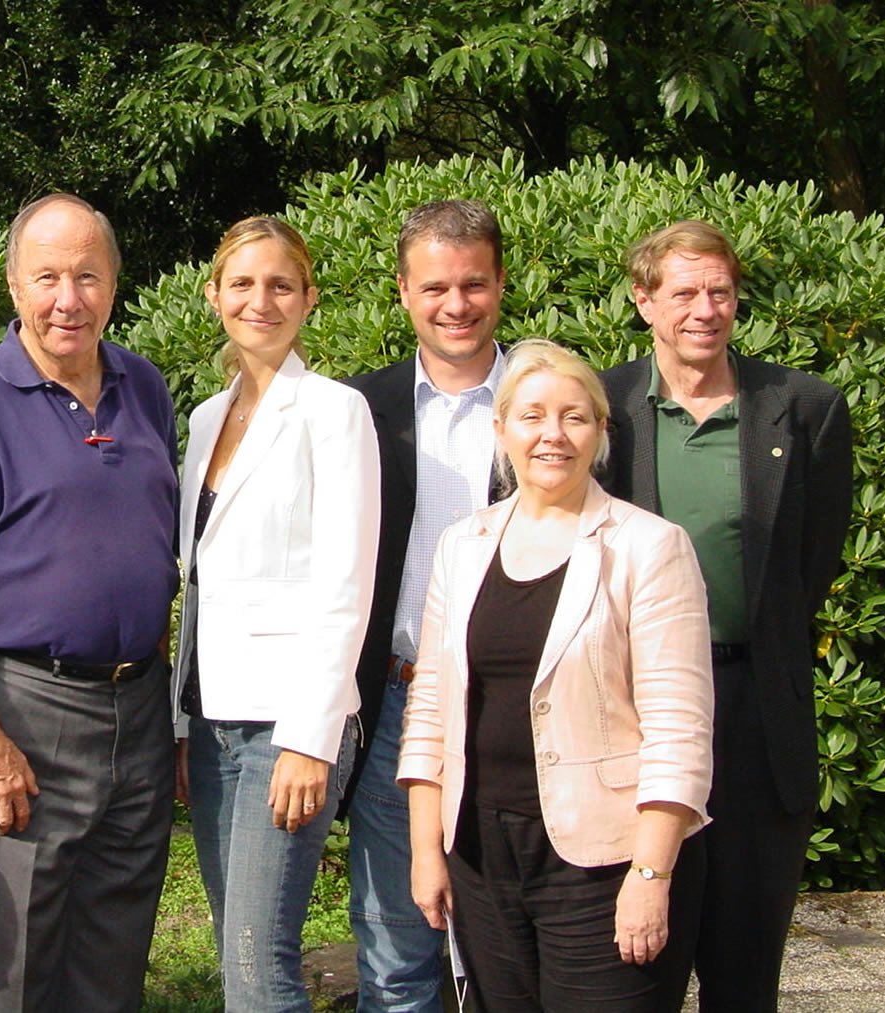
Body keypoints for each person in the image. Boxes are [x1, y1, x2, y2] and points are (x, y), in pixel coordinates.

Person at [0, 193, 179, 1013]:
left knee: (113, 956)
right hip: (26, 710)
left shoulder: (144, 386)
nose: (69, 299)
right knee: (10, 966)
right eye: (48, 277)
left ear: (115, 284)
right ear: (15, 285)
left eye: (88, 276)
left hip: (137, 706)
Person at [401, 338, 714, 1012]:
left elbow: (679, 730)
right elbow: (430, 706)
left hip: (604, 859)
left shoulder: (650, 547)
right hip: (481, 852)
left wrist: (651, 872)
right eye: (533, 416)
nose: (553, 434)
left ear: (601, 431)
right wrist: (427, 848)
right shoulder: (462, 545)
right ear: (501, 430)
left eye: (575, 417)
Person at [601, 221, 853, 1011]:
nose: (705, 310)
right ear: (644, 300)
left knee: (744, 973)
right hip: (633, 715)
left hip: (754, 715)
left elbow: (808, 568)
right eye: (684, 292)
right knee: (637, 966)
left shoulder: (804, 408)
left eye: (720, 291)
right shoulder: (603, 409)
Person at [172, 217, 380, 1010]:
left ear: (309, 298)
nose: (261, 300)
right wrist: (184, 722)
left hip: (285, 726)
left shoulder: (334, 411)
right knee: (237, 958)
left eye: (281, 284)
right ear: (214, 294)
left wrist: (309, 737)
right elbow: (199, 582)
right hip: (213, 721)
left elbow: (345, 581)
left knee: (262, 966)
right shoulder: (204, 420)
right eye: (243, 283)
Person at [341, 199, 510, 1011]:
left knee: (517, 949)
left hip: (519, 708)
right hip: (399, 704)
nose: (456, 304)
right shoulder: (357, 411)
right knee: (396, 953)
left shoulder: (550, 401)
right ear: (404, 291)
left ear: (500, 283)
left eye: (473, 283)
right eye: (435, 286)